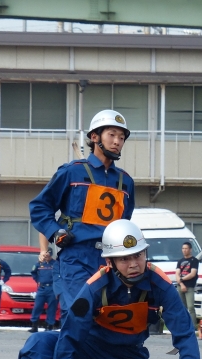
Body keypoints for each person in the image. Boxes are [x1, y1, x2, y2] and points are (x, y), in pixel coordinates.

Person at [0, 219, 201, 359]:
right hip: (87, 349)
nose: (134, 264)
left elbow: (185, 334)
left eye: (138, 255)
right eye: (124, 259)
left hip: (127, 357)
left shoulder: (160, 284)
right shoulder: (94, 287)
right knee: (38, 343)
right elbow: (70, 336)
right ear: (110, 262)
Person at [29, 110, 135, 323]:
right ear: (95, 137)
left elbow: (125, 223)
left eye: (121, 138)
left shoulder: (126, 182)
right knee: (77, 317)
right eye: (112, 135)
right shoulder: (71, 172)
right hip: (76, 258)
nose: (117, 142)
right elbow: (40, 207)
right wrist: (55, 232)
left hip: (111, 260)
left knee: (107, 321)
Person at [29, 247, 57, 333]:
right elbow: (33, 272)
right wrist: (38, 280)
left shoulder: (55, 264)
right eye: (45, 255)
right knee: (37, 306)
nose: (46, 256)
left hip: (52, 288)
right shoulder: (39, 264)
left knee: (52, 307)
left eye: (48, 255)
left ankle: (49, 325)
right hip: (42, 288)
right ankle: (34, 325)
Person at [175, 241, 199, 327]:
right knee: (182, 307)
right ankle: (183, 325)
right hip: (180, 286)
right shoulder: (180, 261)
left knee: (191, 307)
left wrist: (182, 279)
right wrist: (181, 283)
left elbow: (192, 274)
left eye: (186, 248)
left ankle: (193, 325)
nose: (184, 250)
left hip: (190, 286)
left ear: (190, 250)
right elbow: (177, 273)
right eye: (183, 248)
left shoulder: (194, 260)